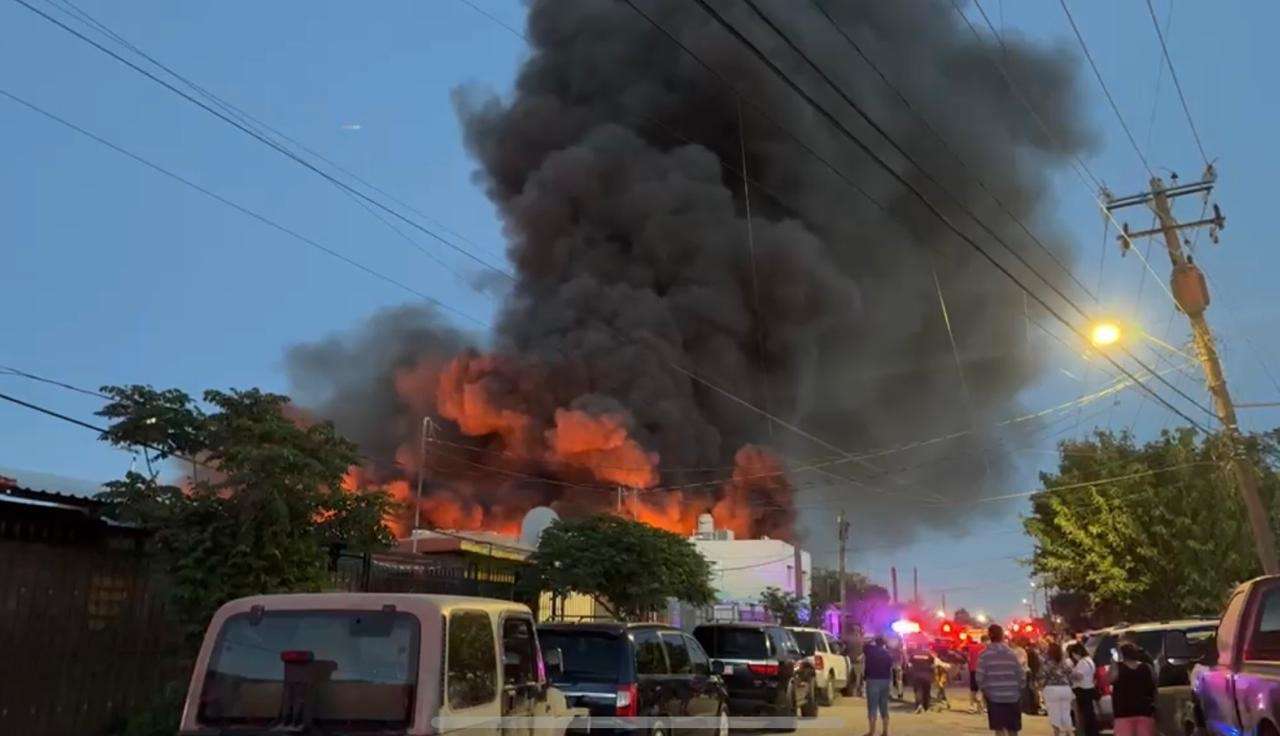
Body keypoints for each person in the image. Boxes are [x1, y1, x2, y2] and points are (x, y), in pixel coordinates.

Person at [977, 624, 1026, 736]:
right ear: (1002, 636)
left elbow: (979, 677)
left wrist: (986, 691)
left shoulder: (984, 655)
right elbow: (1021, 675)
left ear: (989, 636)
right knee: (1013, 729)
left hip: (994, 697)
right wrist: (1018, 690)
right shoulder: (1012, 654)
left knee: (999, 729)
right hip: (1013, 696)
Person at [1110, 642, 1157, 736]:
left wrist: (1113, 662)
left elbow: (1111, 680)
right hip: (1145, 710)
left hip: (1123, 712)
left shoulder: (1118, 669)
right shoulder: (1147, 667)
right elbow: (1154, 685)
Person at [1038, 642, 1075, 736]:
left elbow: (1042, 677)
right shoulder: (1064, 663)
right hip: (1066, 690)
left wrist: (1040, 686)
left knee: (1055, 715)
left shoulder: (1047, 664)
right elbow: (1071, 675)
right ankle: (1069, 733)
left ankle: (1058, 733)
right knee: (1066, 714)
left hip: (1051, 690)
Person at [862, 636, 894, 736]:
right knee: (884, 706)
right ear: (884, 643)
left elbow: (864, 643)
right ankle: (885, 731)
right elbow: (890, 667)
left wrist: (873, 638)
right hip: (885, 680)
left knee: (872, 706)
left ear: (875, 642)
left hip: (872, 680)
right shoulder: (888, 654)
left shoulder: (870, 650)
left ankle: (872, 731)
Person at [1068, 642, 1100, 736]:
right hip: (1089, 688)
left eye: (1073, 655)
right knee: (1090, 713)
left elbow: (1079, 676)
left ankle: (1089, 732)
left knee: (1086, 715)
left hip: (1082, 690)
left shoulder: (1082, 662)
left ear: (1076, 653)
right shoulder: (1089, 660)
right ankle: (1093, 732)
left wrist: (1071, 674)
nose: (1074, 657)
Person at [907, 646, 936, 713]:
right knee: (926, 691)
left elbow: (910, 665)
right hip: (927, 675)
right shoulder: (928, 654)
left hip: (917, 675)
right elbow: (933, 664)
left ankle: (919, 705)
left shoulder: (913, 654)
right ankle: (926, 707)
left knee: (918, 691)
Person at [968, 635, 988, 714]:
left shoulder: (972, 648)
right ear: (986, 640)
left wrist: (970, 669)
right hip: (982, 671)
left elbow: (969, 659)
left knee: (973, 689)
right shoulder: (987, 649)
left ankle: (972, 706)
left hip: (973, 670)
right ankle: (983, 707)